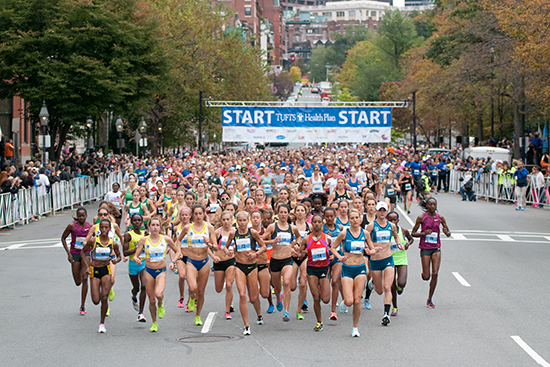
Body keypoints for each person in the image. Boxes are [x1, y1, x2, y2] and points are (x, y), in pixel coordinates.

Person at [331, 209, 378, 337]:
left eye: (356, 218)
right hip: (347, 268)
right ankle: (345, 301)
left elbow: (372, 249)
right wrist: (339, 257)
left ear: (360, 219)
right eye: (352, 218)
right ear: (349, 219)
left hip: (360, 268)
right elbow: (333, 247)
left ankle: (355, 328)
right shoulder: (344, 233)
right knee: (349, 302)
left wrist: (370, 252)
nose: (354, 220)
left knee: (357, 301)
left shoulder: (365, 233)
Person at [134, 217, 181, 332]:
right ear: (149, 227)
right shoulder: (144, 240)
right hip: (148, 270)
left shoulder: (165, 239)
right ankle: (154, 322)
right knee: (151, 300)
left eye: (157, 225)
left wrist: (173, 262)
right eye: (153, 225)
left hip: (161, 270)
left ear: (160, 227)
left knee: (158, 294)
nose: (155, 227)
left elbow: (178, 251)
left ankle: (161, 303)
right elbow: (136, 255)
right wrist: (137, 259)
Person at [224, 211, 266, 335]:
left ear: (248, 221)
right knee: (242, 295)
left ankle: (259, 314)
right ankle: (246, 325)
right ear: (236, 222)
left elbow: (263, 246)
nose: (242, 223)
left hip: (252, 267)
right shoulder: (233, 233)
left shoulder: (252, 233)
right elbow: (225, 247)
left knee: (253, 298)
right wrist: (229, 252)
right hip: (239, 266)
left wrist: (256, 254)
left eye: (244, 220)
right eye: (239, 221)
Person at [178, 204, 217, 326]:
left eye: (200, 213)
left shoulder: (209, 227)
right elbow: (178, 240)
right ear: (192, 215)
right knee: (193, 287)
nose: (198, 216)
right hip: (191, 261)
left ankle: (198, 315)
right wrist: (178, 251)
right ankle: (191, 297)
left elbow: (215, 246)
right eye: (196, 214)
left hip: (204, 262)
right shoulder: (188, 228)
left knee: (201, 291)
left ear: (204, 214)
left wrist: (208, 243)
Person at [262, 204, 302, 322]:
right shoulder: (272, 227)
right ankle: (279, 298)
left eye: (285, 212)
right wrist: (272, 241)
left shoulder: (292, 228)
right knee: (277, 287)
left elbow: (298, 237)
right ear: (277, 214)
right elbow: (261, 240)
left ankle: (286, 311)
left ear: (288, 214)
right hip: (275, 260)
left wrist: (297, 244)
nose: (283, 215)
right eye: (281, 212)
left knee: (287, 282)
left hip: (287, 260)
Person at [365, 201, 402, 326]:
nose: (382, 212)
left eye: (384, 210)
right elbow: (364, 238)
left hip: (387, 259)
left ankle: (386, 314)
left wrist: (399, 243)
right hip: (375, 261)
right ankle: (372, 283)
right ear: (376, 211)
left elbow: (396, 236)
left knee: (387, 287)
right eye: (379, 210)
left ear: (386, 212)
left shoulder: (391, 226)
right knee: (379, 290)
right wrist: (368, 249)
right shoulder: (371, 226)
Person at [81, 219, 121, 333]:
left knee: (104, 297)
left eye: (106, 228)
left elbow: (119, 256)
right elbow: (83, 252)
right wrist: (87, 266)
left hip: (106, 270)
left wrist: (115, 260)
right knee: (96, 300)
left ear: (109, 229)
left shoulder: (113, 243)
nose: (104, 230)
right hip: (94, 271)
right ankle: (100, 290)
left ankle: (102, 324)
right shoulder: (93, 241)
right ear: (99, 229)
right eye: (102, 227)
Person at [411, 197, 451, 308]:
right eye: (431, 205)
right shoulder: (421, 218)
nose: (433, 206)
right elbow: (413, 233)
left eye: (434, 205)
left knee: (435, 273)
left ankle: (430, 299)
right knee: (427, 277)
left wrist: (446, 232)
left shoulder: (440, 218)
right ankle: (424, 273)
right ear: (427, 206)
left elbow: (448, 232)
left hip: (436, 248)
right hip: (425, 247)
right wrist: (423, 233)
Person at [297, 215, 331, 332]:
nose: (317, 224)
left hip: (324, 269)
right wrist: (299, 253)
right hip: (311, 269)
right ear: (311, 224)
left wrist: (332, 256)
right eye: (314, 222)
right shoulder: (306, 239)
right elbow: (300, 254)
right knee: (316, 298)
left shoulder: (327, 238)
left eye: (319, 222)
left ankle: (322, 288)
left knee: (325, 299)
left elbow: (335, 249)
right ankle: (319, 322)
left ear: (322, 223)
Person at [60, 207, 91, 315]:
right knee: (78, 282)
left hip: (86, 254)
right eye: (79, 216)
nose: (81, 218)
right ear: (77, 216)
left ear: (86, 216)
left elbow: (96, 239)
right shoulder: (72, 226)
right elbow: (63, 238)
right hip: (75, 254)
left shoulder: (90, 227)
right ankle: (82, 280)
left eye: (83, 216)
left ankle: (82, 306)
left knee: (85, 278)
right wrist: (68, 254)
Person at [387, 211, 413, 316]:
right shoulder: (385, 232)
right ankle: (394, 307)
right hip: (390, 260)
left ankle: (400, 286)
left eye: (395, 220)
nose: (393, 222)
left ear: (398, 220)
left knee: (401, 283)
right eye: (390, 220)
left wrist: (407, 244)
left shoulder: (403, 231)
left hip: (401, 259)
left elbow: (411, 239)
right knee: (392, 286)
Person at [122, 214, 147, 322]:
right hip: (133, 264)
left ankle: (140, 313)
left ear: (142, 222)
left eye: (139, 220)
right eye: (135, 220)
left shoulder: (145, 234)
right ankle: (133, 295)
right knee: (136, 288)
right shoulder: (128, 235)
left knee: (144, 286)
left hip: (143, 263)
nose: (137, 222)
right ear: (131, 222)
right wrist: (137, 248)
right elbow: (125, 252)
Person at [212, 211, 236, 319]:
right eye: (224, 219)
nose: (226, 222)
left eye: (228, 219)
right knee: (218, 289)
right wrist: (213, 256)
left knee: (229, 285)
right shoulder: (217, 232)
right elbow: (210, 246)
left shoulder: (235, 232)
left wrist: (234, 252)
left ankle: (227, 311)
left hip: (231, 261)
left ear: (232, 220)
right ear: (221, 220)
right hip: (219, 262)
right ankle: (229, 300)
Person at [323, 207, 343, 320]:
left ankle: (333, 311)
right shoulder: (321, 229)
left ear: (335, 216)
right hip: (324, 259)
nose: (329, 218)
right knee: (325, 298)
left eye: (331, 216)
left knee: (335, 281)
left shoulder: (339, 228)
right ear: (324, 217)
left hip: (336, 258)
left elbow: (341, 244)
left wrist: (336, 255)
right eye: (327, 216)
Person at [170, 207, 191, 310]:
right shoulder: (176, 228)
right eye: (182, 215)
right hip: (180, 256)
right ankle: (182, 296)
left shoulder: (193, 228)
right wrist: (171, 249)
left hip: (191, 256)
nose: (184, 217)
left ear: (190, 216)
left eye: (186, 215)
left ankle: (190, 299)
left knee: (191, 280)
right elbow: (174, 240)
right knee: (182, 276)